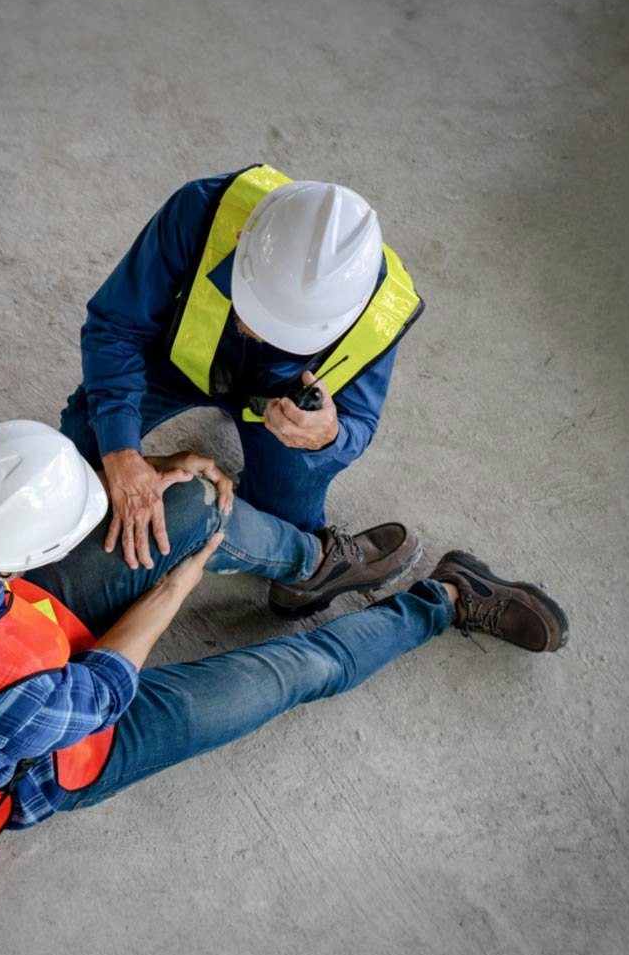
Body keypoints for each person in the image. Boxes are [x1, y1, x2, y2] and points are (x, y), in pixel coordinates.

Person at [0, 421, 568, 856]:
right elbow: (107, 684)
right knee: (296, 672)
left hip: (0, 660)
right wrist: (179, 582)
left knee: (180, 504)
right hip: (58, 749)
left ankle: (312, 566)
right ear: (33, 561)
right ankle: (444, 600)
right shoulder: (13, 701)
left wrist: (147, 474)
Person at [60, 164, 426, 616]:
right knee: (77, 452)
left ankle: (312, 564)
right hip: (175, 365)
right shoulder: (203, 209)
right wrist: (121, 454)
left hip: (276, 409)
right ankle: (292, 551)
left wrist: (327, 436)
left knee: (282, 524)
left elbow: (360, 423)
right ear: (242, 241)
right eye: (254, 306)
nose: (259, 332)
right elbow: (115, 328)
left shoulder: (382, 309)